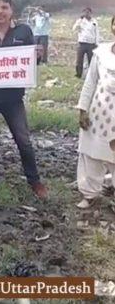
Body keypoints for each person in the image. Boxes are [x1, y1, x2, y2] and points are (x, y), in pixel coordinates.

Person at [0, 0, 48, 198]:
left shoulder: (23, 31)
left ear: (11, 10)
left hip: (13, 98)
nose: (0, 11)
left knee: (24, 141)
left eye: (4, 7)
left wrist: (37, 56)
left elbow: (31, 62)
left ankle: (35, 182)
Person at [75, 15, 115, 209]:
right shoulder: (102, 52)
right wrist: (83, 109)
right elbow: (90, 82)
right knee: (91, 154)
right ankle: (90, 194)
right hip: (99, 114)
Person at [73, 7, 101, 78]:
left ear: (91, 13)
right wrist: (79, 21)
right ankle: (78, 74)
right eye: (85, 12)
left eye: (88, 12)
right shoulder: (80, 21)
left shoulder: (94, 21)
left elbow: (97, 32)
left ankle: (91, 75)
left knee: (91, 60)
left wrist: (97, 43)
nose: (86, 14)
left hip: (91, 44)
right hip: (82, 43)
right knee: (79, 60)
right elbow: (74, 29)